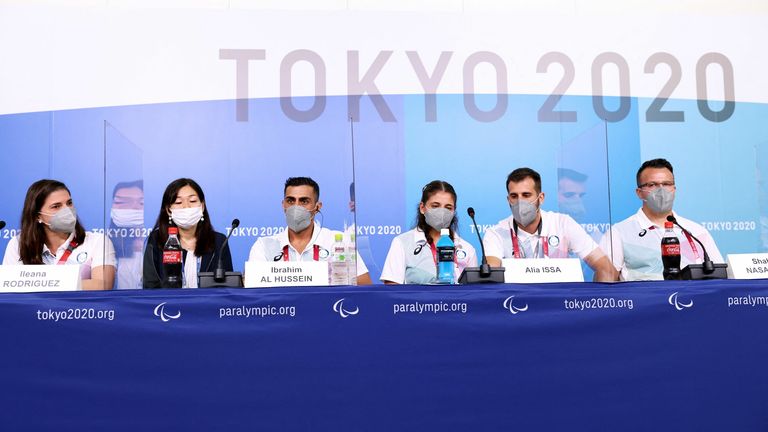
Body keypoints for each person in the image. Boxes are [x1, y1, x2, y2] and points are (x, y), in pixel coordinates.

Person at [482, 167, 617, 282]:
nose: (520, 201)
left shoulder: (563, 224)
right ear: (508, 200)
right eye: (514, 196)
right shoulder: (496, 232)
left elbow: (606, 269)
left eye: (526, 195)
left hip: (559, 306)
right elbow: (491, 277)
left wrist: (595, 305)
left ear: (541, 198)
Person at [599, 158, 724, 281]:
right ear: (639, 192)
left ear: (674, 189)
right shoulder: (619, 233)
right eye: (652, 185)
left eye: (666, 184)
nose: (661, 190)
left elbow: (720, 277)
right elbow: (604, 287)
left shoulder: (696, 232)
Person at [248, 177, 373, 285]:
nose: (296, 207)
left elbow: (364, 286)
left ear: (317, 207)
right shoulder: (263, 246)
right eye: (290, 200)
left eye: (304, 201)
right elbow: (254, 292)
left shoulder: (338, 241)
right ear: (283, 205)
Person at [2, 179, 116, 290]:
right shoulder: (18, 244)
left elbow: (103, 285)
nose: (67, 210)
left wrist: (44, 284)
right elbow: (9, 287)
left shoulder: (97, 241)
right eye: (56, 206)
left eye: (69, 203)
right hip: (32, 309)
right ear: (37, 216)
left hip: (79, 309)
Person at [380, 180, 477, 284]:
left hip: (457, 301)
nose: (442, 212)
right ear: (422, 208)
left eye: (448, 207)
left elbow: (474, 292)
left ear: (454, 211)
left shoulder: (467, 248)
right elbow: (392, 289)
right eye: (435, 206)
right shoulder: (402, 243)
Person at [143, 178, 233, 288]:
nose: (186, 206)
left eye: (193, 201)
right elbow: (150, 286)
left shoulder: (219, 241)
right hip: (169, 304)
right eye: (178, 202)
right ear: (168, 210)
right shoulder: (157, 239)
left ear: (202, 206)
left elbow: (227, 287)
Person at [109, 180, 145, 289]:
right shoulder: (105, 246)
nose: (133, 207)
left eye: (141, 202)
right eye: (122, 202)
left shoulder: (159, 246)